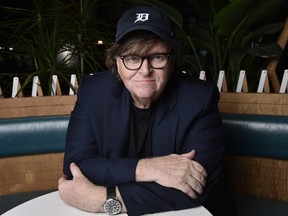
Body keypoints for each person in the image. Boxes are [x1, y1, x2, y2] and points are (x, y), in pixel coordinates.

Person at [58, 6, 237, 216]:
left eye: (157, 57)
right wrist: (149, 168)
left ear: (172, 59)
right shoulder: (94, 92)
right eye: (133, 58)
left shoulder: (199, 99)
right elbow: (78, 165)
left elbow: (195, 186)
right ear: (117, 62)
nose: (145, 70)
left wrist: (103, 198)